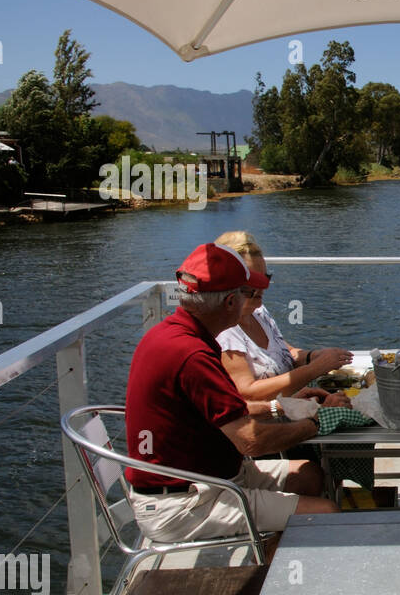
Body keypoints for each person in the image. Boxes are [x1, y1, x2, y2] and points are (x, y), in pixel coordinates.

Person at [124, 242, 338, 544]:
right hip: (186, 502)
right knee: (326, 512)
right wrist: (319, 423)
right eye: (246, 295)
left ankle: (272, 560)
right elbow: (251, 441)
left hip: (213, 477)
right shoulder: (192, 355)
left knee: (309, 474)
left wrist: (283, 407)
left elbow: (226, 411)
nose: (254, 303)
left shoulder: (174, 334)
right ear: (228, 302)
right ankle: (276, 582)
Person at [212, 231, 353, 405]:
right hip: (268, 418)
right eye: (253, 281)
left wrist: (313, 356)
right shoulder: (224, 330)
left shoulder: (258, 312)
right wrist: (315, 369)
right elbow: (247, 393)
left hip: (292, 401)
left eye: (265, 278)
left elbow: (285, 354)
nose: (263, 287)